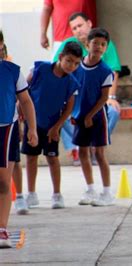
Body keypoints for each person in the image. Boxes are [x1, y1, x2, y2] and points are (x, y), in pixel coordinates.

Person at [54, 12, 121, 165]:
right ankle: (76, 147)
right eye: (74, 28)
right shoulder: (68, 45)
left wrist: (111, 98)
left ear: (89, 24)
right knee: (59, 112)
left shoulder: (104, 43)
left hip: (97, 99)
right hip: (75, 99)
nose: (78, 30)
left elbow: (113, 72)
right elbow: (57, 69)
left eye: (80, 25)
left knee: (113, 111)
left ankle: (95, 145)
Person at [23, 42, 82, 210]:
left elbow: (69, 106)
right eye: (69, 61)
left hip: (52, 126)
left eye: (77, 63)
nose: (72, 66)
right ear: (61, 57)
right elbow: (24, 89)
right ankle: (31, 194)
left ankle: (57, 194)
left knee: (52, 158)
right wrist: (21, 108)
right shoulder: (40, 69)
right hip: (32, 122)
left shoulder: (71, 82)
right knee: (31, 157)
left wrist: (57, 126)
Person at [73, 28, 115, 207]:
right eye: (95, 43)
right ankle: (90, 189)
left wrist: (91, 115)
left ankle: (107, 192)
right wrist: (72, 113)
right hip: (80, 115)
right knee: (82, 151)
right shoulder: (77, 66)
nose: (99, 47)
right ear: (87, 44)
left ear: (106, 48)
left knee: (99, 153)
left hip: (98, 117)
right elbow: (72, 92)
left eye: (103, 44)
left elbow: (104, 97)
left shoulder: (105, 71)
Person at [0, 58, 38, 248]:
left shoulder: (13, 71)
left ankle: (1, 229)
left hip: (6, 128)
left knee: (3, 182)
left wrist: (32, 129)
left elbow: (25, 100)